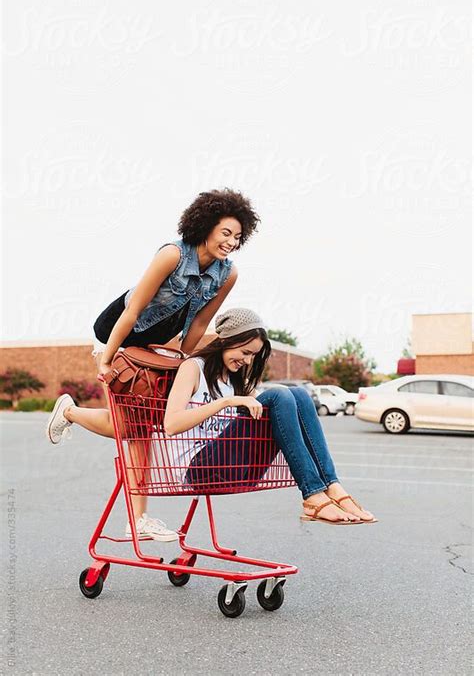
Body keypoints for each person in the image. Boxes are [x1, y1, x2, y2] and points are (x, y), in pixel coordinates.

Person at [45, 189, 260, 539]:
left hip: (156, 346)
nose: (231, 243)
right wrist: (108, 359)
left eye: (237, 237)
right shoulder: (172, 255)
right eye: (225, 233)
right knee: (137, 429)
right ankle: (138, 520)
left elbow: (201, 323)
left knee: (142, 424)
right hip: (117, 331)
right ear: (205, 225)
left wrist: (186, 364)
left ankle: (70, 413)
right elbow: (131, 311)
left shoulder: (227, 273)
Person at [164, 308, 378, 524]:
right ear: (226, 340)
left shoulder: (235, 379)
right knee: (278, 394)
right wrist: (227, 401)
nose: (248, 362)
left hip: (233, 468)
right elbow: (171, 425)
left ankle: (333, 486)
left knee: (299, 395)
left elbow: (278, 410)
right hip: (199, 470)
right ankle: (313, 494)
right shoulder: (193, 368)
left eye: (253, 356)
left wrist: (245, 397)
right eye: (245, 352)